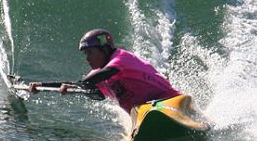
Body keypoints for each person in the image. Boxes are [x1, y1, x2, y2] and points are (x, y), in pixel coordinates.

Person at [29, 29, 180, 114]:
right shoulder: (98, 74)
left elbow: (98, 77)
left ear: (104, 49)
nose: (87, 58)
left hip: (168, 100)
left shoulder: (121, 58)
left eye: (90, 52)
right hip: (142, 113)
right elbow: (82, 86)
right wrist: (41, 85)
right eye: (85, 54)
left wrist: (82, 85)